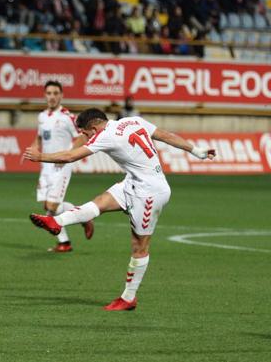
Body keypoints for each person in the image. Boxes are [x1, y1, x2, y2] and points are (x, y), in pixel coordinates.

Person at [24, 108, 215, 311]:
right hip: (133, 181)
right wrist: (197, 151)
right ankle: (57, 222)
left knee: (139, 246)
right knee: (100, 202)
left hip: (149, 192)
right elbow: (165, 135)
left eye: (85, 133)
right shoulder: (133, 121)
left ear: (93, 127)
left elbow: (70, 156)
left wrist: (40, 156)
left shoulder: (105, 135)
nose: (85, 137)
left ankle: (128, 297)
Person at [28, 81, 93, 253]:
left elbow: (82, 137)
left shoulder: (67, 117)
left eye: (56, 93)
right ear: (45, 95)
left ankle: (83, 218)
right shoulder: (42, 116)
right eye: (49, 93)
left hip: (61, 166)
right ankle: (65, 241)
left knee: (51, 206)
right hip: (46, 166)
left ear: (61, 95)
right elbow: (40, 138)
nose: (52, 96)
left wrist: (67, 155)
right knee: (49, 206)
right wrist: (33, 148)